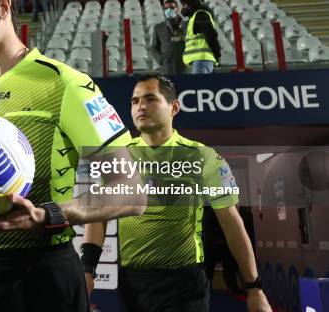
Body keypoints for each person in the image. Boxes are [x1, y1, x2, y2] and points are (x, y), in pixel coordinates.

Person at [0, 0, 146, 312]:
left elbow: (131, 192)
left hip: (41, 276)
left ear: (3, 7)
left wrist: (50, 214)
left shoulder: (64, 83)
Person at [83, 75, 272, 312]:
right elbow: (99, 216)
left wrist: (254, 289)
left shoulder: (203, 156)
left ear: (174, 107)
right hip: (132, 284)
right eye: (134, 101)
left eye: (151, 98)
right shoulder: (118, 157)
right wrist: (88, 270)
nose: (140, 106)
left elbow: (231, 223)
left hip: (186, 284)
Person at [181, 0, 221, 74]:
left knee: (200, 85)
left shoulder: (201, 15)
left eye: (185, 5)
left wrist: (217, 54)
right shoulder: (193, 17)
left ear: (191, 5)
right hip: (199, 61)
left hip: (202, 60)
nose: (183, 8)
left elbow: (211, 35)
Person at [150, 0, 186, 75]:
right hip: (167, 67)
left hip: (185, 66)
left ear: (177, 9)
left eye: (172, 7)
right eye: (166, 8)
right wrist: (161, 60)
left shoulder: (186, 25)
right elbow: (154, 47)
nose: (169, 10)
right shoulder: (158, 27)